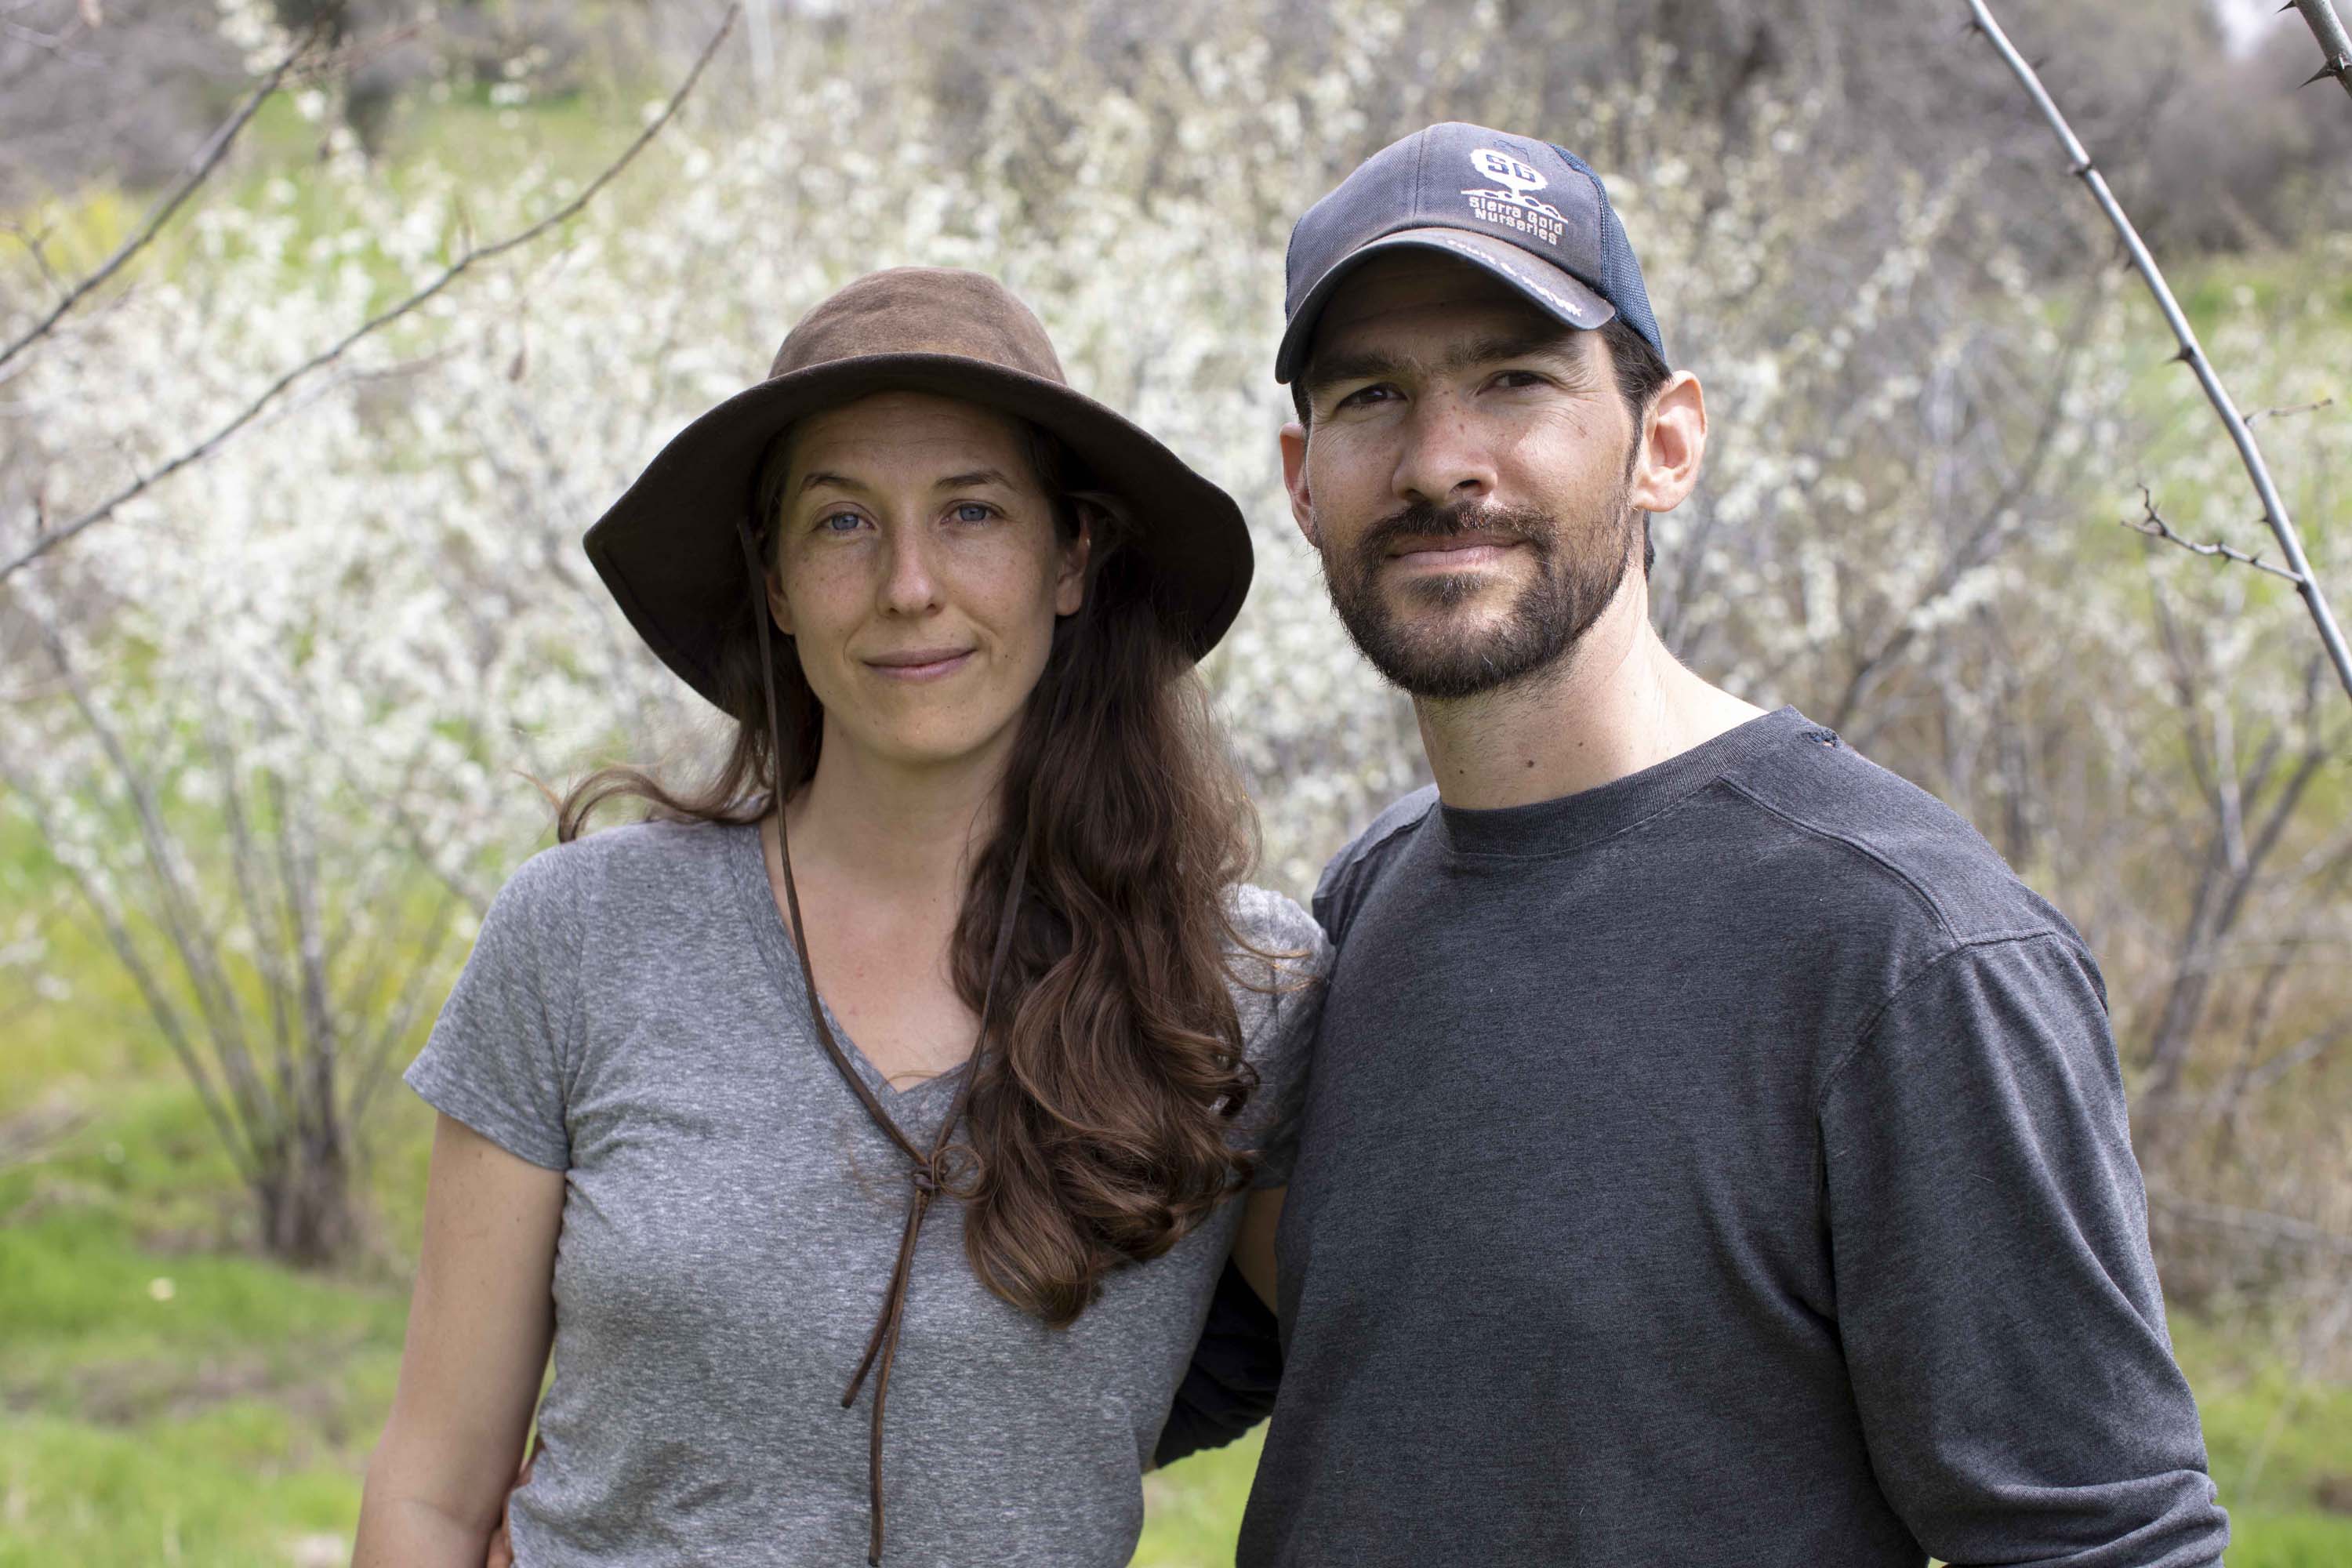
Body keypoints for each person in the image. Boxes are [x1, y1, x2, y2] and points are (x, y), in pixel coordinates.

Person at [1226, 122, 2231, 1566]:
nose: (1443, 461)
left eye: (1516, 379)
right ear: (1303, 478)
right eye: (1373, 396)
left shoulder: (1904, 948)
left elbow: (2105, 1542)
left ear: (1668, 442)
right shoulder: (1372, 895)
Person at [350, 266, 1326, 1568]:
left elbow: (1408, 1374)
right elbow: (431, 1489)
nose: (910, 585)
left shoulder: (1241, 990)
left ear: (1072, 557)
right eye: (842, 524)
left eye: (972, 512)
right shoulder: (582, 938)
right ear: (774, 581)